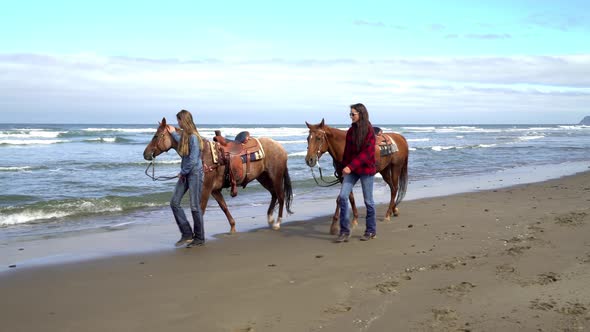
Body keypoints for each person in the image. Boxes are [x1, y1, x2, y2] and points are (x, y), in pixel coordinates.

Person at [335, 103, 377, 242]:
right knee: (342, 197)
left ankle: (371, 230)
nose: (351, 116)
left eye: (353, 114)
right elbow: (347, 152)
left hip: (366, 170)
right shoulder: (351, 131)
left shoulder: (369, 131)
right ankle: (344, 231)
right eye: (350, 114)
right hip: (352, 170)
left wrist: (350, 167)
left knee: (368, 201)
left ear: (361, 114)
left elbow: (367, 153)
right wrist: (343, 167)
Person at [166, 109, 205, 248]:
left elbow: (193, 159)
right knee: (174, 202)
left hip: (194, 173)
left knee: (195, 206)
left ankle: (200, 238)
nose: (178, 122)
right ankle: (187, 233)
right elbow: (180, 141)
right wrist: (171, 132)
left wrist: (183, 172)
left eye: (179, 120)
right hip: (187, 172)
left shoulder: (194, 136)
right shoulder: (186, 136)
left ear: (184, 120)